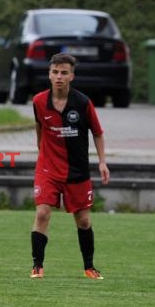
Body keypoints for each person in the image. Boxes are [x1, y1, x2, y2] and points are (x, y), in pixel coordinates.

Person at [29, 53, 110, 280]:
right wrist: (41, 152)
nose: (59, 77)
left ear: (72, 76)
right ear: (49, 74)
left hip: (77, 171)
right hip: (48, 168)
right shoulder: (38, 101)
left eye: (64, 72)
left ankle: (89, 267)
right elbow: (39, 127)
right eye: (55, 72)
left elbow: (98, 133)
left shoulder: (83, 103)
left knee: (83, 220)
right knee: (43, 212)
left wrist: (102, 162)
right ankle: (37, 265)